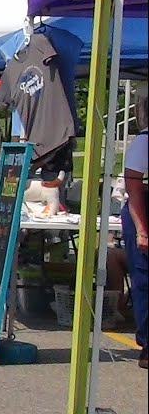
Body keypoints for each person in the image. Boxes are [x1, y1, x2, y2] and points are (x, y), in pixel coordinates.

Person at [119, 86, 148, 369]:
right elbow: (134, 186)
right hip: (142, 212)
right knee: (144, 281)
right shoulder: (144, 141)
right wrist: (142, 229)